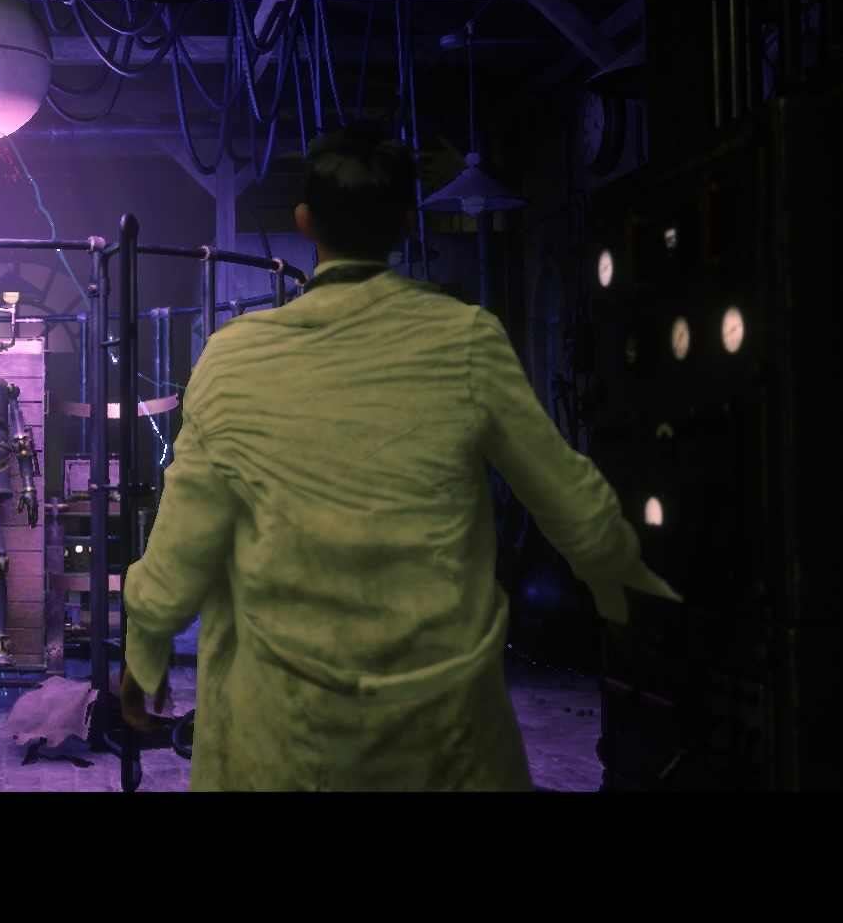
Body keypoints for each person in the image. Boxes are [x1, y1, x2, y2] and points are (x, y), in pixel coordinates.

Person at [118, 127, 682, 791]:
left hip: (276, 742)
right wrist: (625, 590)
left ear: (305, 222)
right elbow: (568, 495)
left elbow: (184, 539)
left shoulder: (232, 358)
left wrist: (145, 647)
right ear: (406, 224)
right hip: (440, 745)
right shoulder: (465, 339)